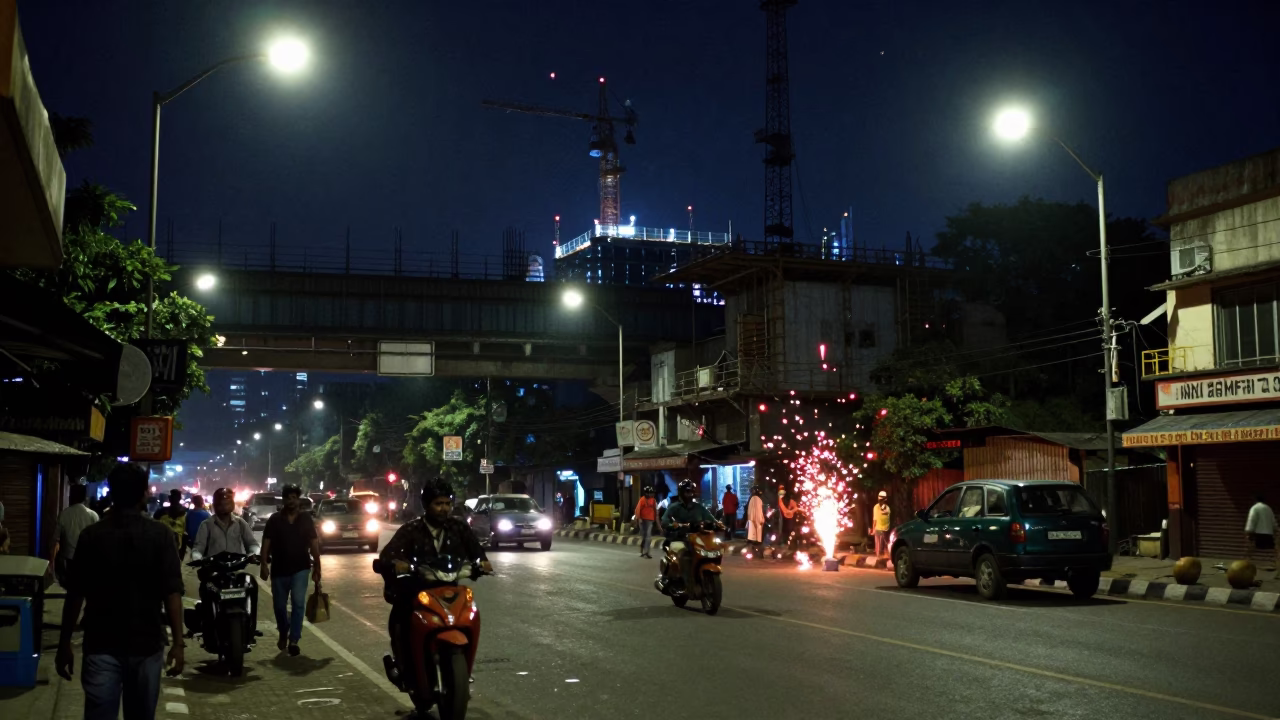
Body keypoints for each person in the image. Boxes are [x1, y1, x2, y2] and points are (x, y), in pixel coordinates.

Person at [56, 462, 184, 720]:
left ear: (112, 493)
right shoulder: (161, 535)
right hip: (146, 643)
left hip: (101, 642)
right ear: (143, 494)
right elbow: (172, 593)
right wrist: (179, 644)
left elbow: (75, 594)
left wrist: (64, 643)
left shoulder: (92, 535)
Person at [379, 479, 491, 687]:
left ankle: (464, 667)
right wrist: (397, 564)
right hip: (417, 589)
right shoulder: (411, 530)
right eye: (438, 504)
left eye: (447, 503)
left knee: (470, 614)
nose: (444, 509)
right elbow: (388, 555)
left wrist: (481, 563)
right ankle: (403, 664)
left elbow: (476, 551)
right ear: (427, 505)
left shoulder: (458, 528)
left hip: (450, 588)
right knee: (400, 616)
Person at [191, 488, 262, 636]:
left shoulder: (241, 523)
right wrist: (197, 558)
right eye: (220, 503)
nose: (223, 506)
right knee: (206, 588)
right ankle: (208, 628)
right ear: (215, 505)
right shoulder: (206, 525)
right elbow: (198, 548)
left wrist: (253, 554)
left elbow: (252, 544)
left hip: (236, 569)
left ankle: (251, 626)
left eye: (226, 503)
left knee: (251, 584)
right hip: (214, 571)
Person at [260, 484, 320, 656]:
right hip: (279, 569)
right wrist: (263, 563)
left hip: (301, 568)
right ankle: (283, 631)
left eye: (294, 497)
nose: (291, 501)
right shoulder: (274, 520)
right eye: (288, 498)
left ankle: (294, 639)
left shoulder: (306, 519)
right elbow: (266, 542)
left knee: (298, 602)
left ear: (298, 499)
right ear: (284, 500)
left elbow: (314, 542)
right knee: (279, 606)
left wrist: (318, 564)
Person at [659, 479, 720, 592]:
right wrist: (675, 525)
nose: (690, 494)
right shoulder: (674, 507)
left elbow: (710, 518)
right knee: (684, 555)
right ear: (682, 493)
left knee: (709, 549)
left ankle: (697, 577)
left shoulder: (699, 507)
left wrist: (718, 524)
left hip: (696, 538)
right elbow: (664, 521)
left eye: (691, 492)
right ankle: (682, 581)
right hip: (679, 538)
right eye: (687, 492)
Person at [52, 483, 99, 586]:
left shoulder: (64, 514)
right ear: (85, 497)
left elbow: (55, 540)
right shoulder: (93, 515)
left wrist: (52, 563)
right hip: (88, 559)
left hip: (69, 559)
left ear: (71, 496)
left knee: (73, 590)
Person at [1245, 495, 1278, 571]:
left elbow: (1251, 519)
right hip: (1268, 532)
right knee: (1274, 550)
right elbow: (1273, 520)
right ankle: (1278, 565)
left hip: (1258, 532)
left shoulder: (1255, 508)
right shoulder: (1268, 508)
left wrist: (1248, 531)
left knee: (1251, 549)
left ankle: (1246, 564)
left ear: (1256, 500)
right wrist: (1276, 529)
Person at [155, 489, 187, 560]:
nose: (171, 498)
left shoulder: (161, 512)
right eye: (171, 496)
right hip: (168, 545)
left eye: (173, 496)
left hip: (175, 544)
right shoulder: (161, 512)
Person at [633, 486, 661, 559]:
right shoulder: (642, 500)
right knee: (644, 537)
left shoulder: (654, 501)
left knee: (648, 537)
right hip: (642, 520)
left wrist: (657, 523)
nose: (651, 494)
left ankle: (646, 552)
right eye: (650, 493)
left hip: (650, 521)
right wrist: (639, 519)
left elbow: (656, 511)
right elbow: (637, 510)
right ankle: (642, 550)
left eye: (652, 493)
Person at [777, 486, 799, 554]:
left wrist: (790, 511)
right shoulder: (780, 500)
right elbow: (781, 505)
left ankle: (791, 546)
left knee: (789, 531)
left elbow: (796, 508)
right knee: (785, 531)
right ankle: (785, 544)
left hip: (790, 518)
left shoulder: (791, 501)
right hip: (784, 518)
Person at [872, 490, 892, 557]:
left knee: (879, 544)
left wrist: (873, 529)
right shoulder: (887, 508)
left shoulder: (876, 507)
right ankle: (882, 555)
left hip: (880, 529)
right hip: (884, 529)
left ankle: (880, 556)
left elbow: (875, 519)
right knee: (883, 544)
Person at [746, 484, 765, 553]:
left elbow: (749, 509)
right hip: (758, 516)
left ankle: (752, 539)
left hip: (752, 516)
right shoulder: (758, 499)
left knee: (752, 528)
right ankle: (758, 540)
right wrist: (762, 517)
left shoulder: (752, 498)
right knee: (758, 528)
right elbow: (760, 510)